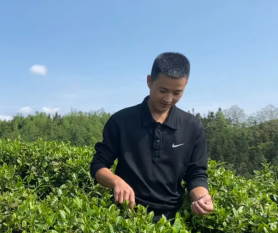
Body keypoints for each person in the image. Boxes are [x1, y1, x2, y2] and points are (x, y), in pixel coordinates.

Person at [90, 52, 213, 222]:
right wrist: (116, 181)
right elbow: (98, 165)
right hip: (126, 216)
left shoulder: (192, 127)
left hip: (173, 220)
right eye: (163, 90)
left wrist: (201, 198)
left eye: (177, 93)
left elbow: (196, 174)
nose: (168, 99)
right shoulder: (121, 121)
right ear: (149, 81)